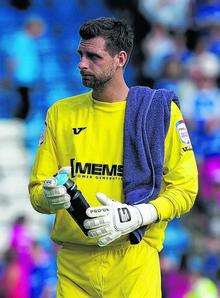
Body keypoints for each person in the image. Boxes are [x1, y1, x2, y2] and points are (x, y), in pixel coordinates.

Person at [28, 17, 198, 297]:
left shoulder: (158, 114)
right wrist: (49, 197)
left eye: (93, 56)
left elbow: (185, 190)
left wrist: (139, 213)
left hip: (133, 263)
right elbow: (37, 194)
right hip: (74, 268)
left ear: (120, 59)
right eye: (80, 54)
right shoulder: (60, 113)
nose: (82, 63)